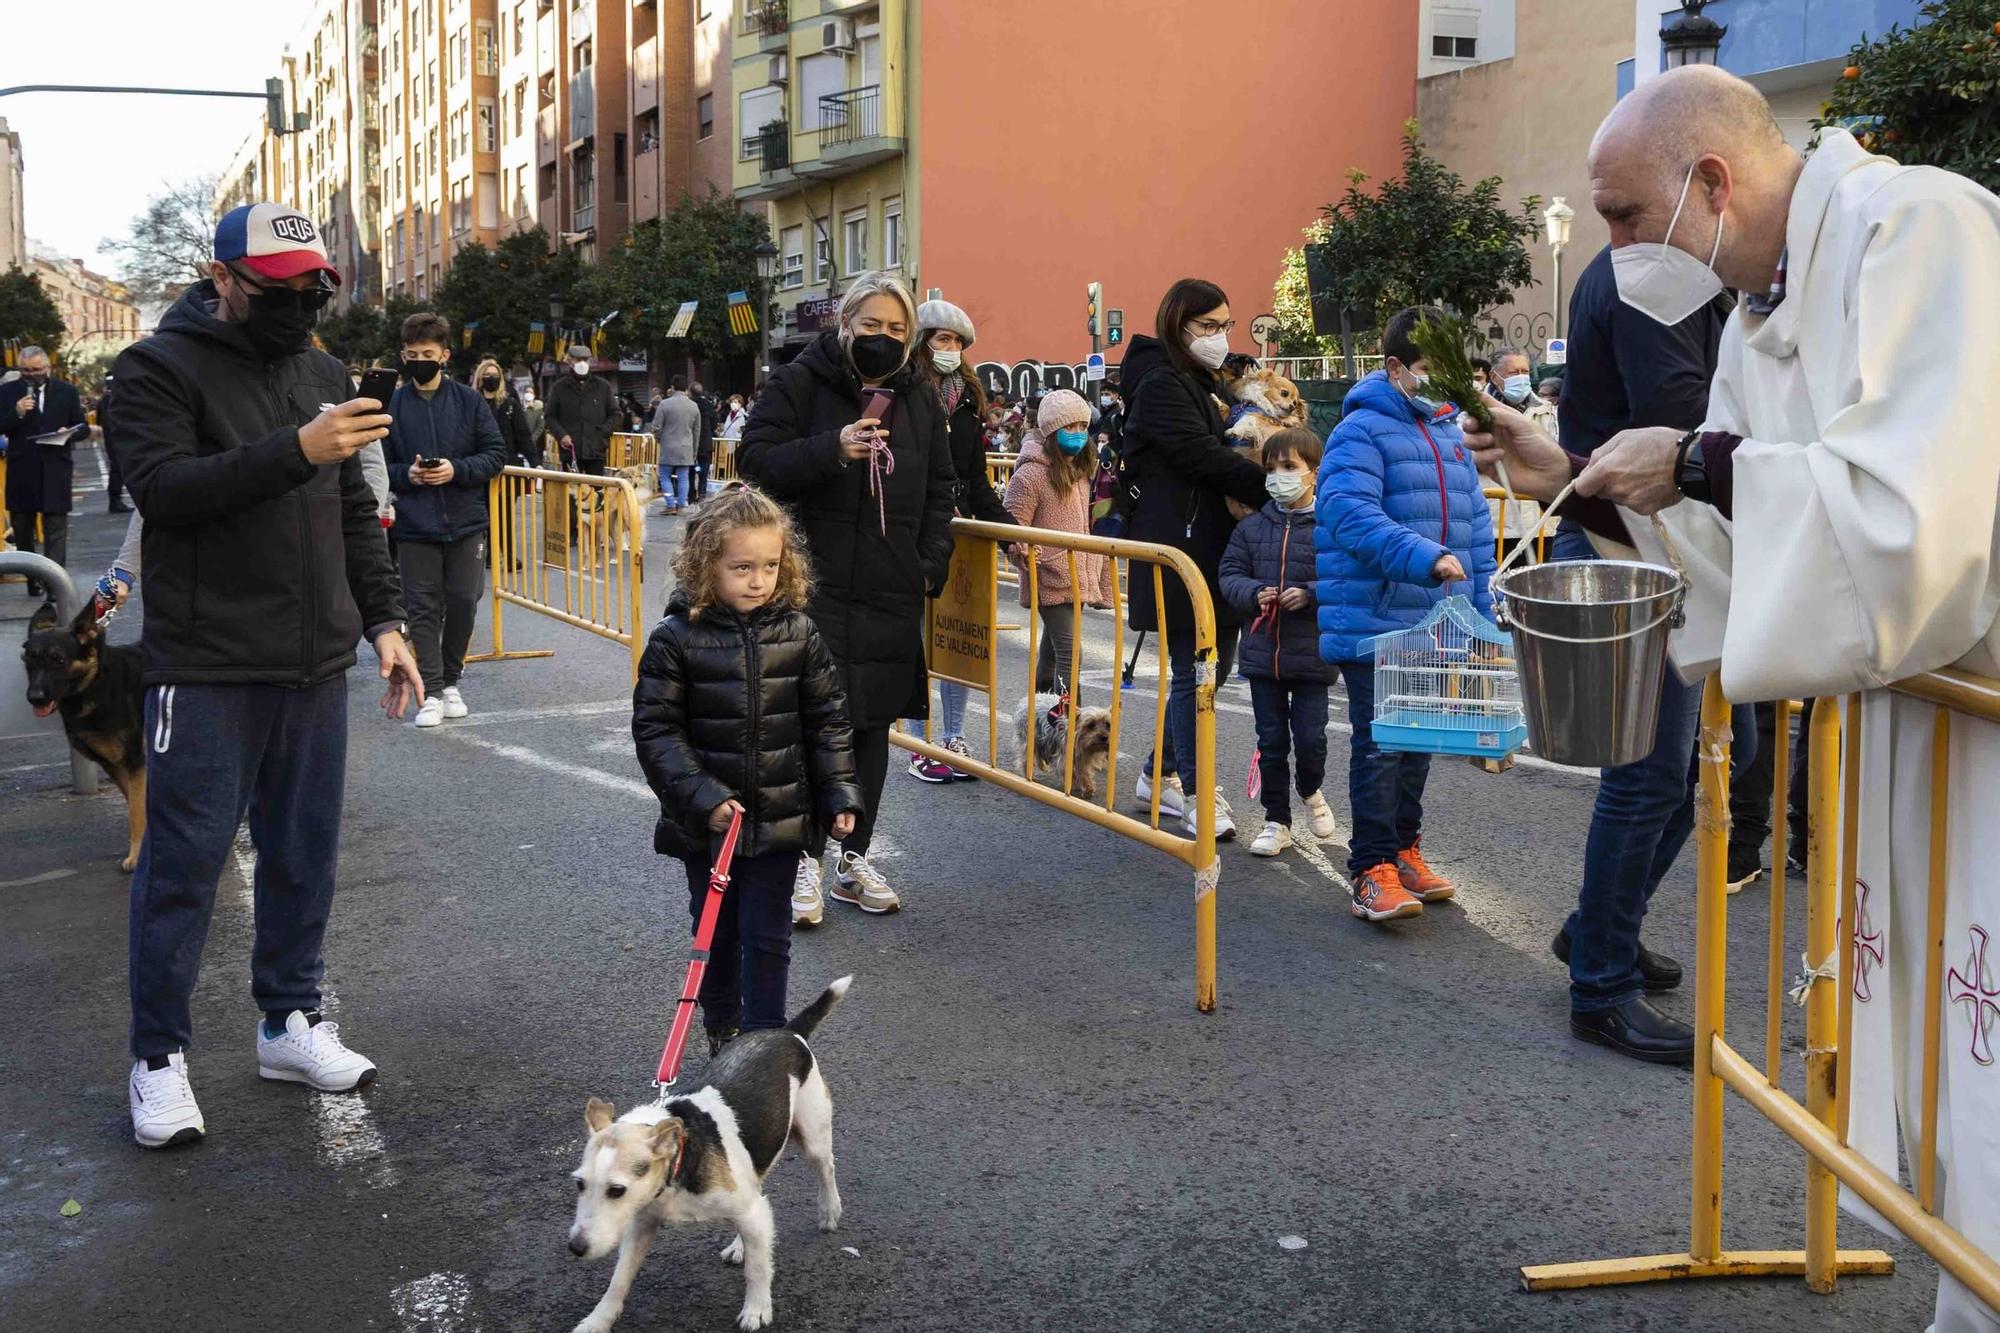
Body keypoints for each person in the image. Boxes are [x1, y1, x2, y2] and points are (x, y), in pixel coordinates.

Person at [1467, 66, 2000, 1331]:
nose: (1610, 252)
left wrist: (1701, 458)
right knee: (1939, 1040)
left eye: (1616, 214)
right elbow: (1739, 545)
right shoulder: (1758, 319)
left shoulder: (1914, 226)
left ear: (1710, 182)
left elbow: (1913, 521)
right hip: (1908, 723)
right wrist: (1583, 482)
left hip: (1973, 714)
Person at [106, 201, 420, 1149]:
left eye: (314, 288)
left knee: (302, 855)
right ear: (224, 278)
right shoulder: (153, 368)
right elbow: (161, 491)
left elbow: (355, 515)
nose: (299, 305)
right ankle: (156, 1057)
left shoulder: (322, 370)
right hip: (206, 666)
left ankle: (289, 1022)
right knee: (182, 869)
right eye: (278, 289)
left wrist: (387, 621)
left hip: (315, 663)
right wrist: (296, 449)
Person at [738, 271, 955, 922]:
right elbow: (755, 458)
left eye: (897, 329)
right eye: (872, 326)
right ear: (845, 325)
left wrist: (927, 566)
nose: (884, 339)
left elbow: (942, 491)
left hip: (891, 589)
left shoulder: (920, 401)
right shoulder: (801, 381)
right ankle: (803, 859)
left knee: (870, 728)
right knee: (812, 724)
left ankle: (852, 858)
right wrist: (831, 448)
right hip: (814, 584)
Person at [632, 486, 864, 1048]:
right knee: (715, 932)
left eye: (769, 566)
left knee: (769, 935)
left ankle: (762, 1040)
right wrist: (703, 797)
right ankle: (721, 1026)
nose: (758, 580)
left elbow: (828, 720)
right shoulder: (676, 639)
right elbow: (657, 730)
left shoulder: (800, 633)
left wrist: (840, 793)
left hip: (781, 819)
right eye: (741, 567)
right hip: (709, 825)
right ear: (705, 564)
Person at [1315, 305, 1495, 923]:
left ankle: (1403, 849)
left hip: (1435, 621)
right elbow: (1346, 513)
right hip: (1376, 617)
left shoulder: (1449, 433)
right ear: (1394, 368)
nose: (1444, 383)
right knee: (1381, 745)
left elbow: (1477, 532)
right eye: (1429, 369)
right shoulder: (1359, 431)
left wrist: (1483, 611)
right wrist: (1425, 557)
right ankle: (1370, 868)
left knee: (1418, 740)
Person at [1117, 278, 1269, 839]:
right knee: (1196, 671)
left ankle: (1160, 773)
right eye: (1207, 326)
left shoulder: (1200, 381)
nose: (1219, 337)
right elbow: (1199, 455)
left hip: (1211, 545)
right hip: (1179, 549)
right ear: (1178, 325)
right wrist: (1274, 485)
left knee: (1211, 667)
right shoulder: (1162, 382)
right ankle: (1195, 792)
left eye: (1225, 325)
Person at [902, 298, 1016, 784]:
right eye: (941, 339)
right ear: (921, 344)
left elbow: (975, 479)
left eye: (957, 342)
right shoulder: (902, 393)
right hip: (912, 530)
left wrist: (1010, 533)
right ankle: (917, 739)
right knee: (921, 642)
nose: (950, 349)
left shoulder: (968, 402)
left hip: (959, 533)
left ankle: (953, 737)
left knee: (958, 639)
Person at [384, 312, 509, 729]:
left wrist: (456, 469)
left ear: (445, 355)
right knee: (421, 608)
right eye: (413, 353)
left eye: (428, 353)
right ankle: (432, 692)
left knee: (462, 602)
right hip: (414, 523)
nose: (420, 360)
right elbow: (380, 462)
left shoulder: (469, 402)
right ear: (403, 355)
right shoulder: (393, 404)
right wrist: (409, 475)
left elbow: (495, 454)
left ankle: (451, 680)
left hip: (465, 521)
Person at [1218, 427, 1337, 858]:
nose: (1278, 477)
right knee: (1270, 742)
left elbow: (1343, 577)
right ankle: (1276, 820)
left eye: (1289, 468)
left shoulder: (1331, 526)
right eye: (1271, 469)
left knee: (1311, 739)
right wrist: (1253, 593)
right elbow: (1229, 573)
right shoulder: (1251, 528)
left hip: (1312, 655)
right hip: (1262, 653)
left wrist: (1310, 593)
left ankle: (1311, 790)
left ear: (1314, 474)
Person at [1002, 390, 1115, 694]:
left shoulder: (1079, 471)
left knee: (1053, 650)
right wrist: (1022, 552)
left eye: (1082, 426)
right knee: (1070, 651)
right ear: (1052, 431)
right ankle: (1068, 721)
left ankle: (1042, 718)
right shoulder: (1030, 475)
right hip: (1050, 574)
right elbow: (1012, 526)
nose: (1078, 434)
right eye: (1070, 427)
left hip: (1077, 574)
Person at [3, 346, 87, 599]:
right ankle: (33, 578)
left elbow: (81, 426)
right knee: (22, 528)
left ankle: (54, 585)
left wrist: (68, 432)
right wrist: (16, 413)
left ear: (47, 368)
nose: (32, 375)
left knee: (56, 529)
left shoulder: (67, 391)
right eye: (26, 371)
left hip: (55, 468)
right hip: (22, 471)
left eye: (37, 370)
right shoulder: (6, 392)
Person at [1483, 345, 1555, 553]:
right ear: (1494, 377)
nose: (1521, 378)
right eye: (1514, 373)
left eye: (1524, 372)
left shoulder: (1546, 411)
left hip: (1539, 525)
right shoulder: (1472, 410)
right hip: (1495, 524)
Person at [543, 353, 618, 475]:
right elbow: (550, 416)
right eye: (578, 359)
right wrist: (562, 435)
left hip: (596, 450)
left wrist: (602, 433)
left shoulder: (603, 386)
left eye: (585, 359)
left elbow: (615, 414)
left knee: (596, 490)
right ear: (570, 361)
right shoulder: (559, 387)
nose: (582, 363)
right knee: (571, 491)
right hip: (570, 450)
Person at [474, 355, 538, 471]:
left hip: (507, 463)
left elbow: (523, 435)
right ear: (480, 377)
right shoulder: (471, 404)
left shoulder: (510, 404)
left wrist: (535, 463)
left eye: (495, 375)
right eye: (487, 374)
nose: (491, 378)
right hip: (479, 464)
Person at [649, 375, 701, 513]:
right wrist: (694, 450)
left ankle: (670, 503)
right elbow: (697, 430)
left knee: (665, 476)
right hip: (686, 448)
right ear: (686, 388)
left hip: (668, 446)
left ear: (672, 387)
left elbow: (656, 427)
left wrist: (659, 438)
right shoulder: (693, 406)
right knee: (683, 477)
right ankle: (681, 504)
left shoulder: (664, 404)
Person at [99, 375, 131, 513]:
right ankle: (115, 501)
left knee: (117, 468)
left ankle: (115, 500)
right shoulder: (113, 399)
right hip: (116, 436)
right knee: (117, 468)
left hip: (113, 436)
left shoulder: (105, 399)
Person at [690, 378, 719, 500]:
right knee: (704, 470)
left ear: (690, 392)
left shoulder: (690, 405)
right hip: (706, 442)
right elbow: (714, 423)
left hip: (691, 442)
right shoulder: (709, 405)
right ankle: (702, 494)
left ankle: (691, 495)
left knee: (690, 471)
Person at [520, 385, 547, 463]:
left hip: (534, 444)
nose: (528, 394)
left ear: (534, 395)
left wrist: (532, 438)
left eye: (531, 392)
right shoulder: (519, 407)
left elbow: (540, 426)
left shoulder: (538, 409)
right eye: (527, 392)